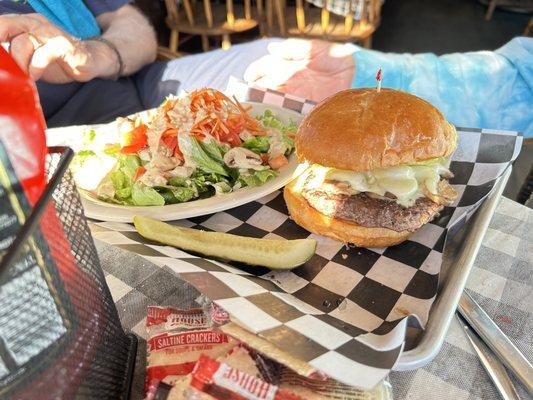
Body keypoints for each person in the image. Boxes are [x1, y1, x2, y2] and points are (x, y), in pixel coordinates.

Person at [0, 0, 531, 136]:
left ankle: (500, 84)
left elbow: (134, 26)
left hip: (140, 85)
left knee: (295, 62)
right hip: (57, 148)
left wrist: (100, 56)